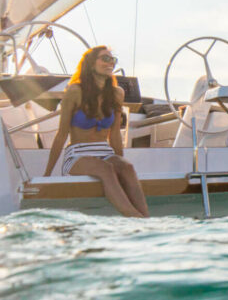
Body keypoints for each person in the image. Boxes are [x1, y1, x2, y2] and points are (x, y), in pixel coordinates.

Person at [42, 45, 149, 217]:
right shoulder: (74, 91)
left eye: (112, 60)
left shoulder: (117, 93)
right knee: (105, 169)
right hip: (78, 154)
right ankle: (135, 218)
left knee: (127, 167)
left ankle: (146, 218)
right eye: (105, 58)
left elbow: (114, 134)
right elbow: (61, 135)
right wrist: (47, 175)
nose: (110, 63)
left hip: (105, 151)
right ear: (91, 64)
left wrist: (120, 162)